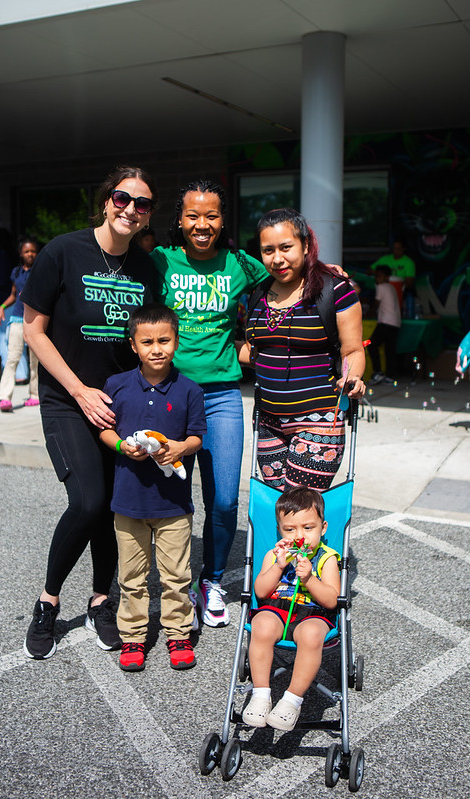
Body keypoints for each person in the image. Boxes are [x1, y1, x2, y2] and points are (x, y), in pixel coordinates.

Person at [21, 165, 157, 660]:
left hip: (119, 403)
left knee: (112, 507)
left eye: (141, 204)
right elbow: (34, 330)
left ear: (147, 216)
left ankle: (102, 600)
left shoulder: (148, 268)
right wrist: (79, 390)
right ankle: (48, 600)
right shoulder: (63, 251)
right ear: (106, 200)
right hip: (68, 399)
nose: (130, 209)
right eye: (123, 198)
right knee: (87, 503)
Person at [150, 179, 269, 628]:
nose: (203, 224)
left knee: (222, 499)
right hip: (169, 394)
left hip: (221, 396)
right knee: (170, 497)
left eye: (212, 215)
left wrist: (327, 271)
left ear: (223, 220)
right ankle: (173, 584)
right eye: (194, 216)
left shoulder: (240, 264)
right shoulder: (160, 261)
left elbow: (288, 276)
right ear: (179, 221)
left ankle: (212, 579)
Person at [99, 304, 206, 672]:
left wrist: (179, 447)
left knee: (176, 576)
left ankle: (178, 632)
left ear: (176, 341)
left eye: (164, 340)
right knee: (131, 578)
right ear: (133, 345)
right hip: (128, 502)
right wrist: (120, 445)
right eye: (147, 342)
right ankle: (133, 637)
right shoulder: (117, 386)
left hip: (174, 506)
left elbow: (196, 437)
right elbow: (104, 428)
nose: (156, 348)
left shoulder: (190, 389)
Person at [239, 208, 365, 491]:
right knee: (280, 513)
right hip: (269, 422)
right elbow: (255, 350)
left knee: (298, 510)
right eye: (268, 250)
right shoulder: (258, 292)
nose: (277, 259)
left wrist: (352, 377)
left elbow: (353, 350)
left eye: (286, 247)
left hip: (319, 420)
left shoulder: (334, 288)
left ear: (306, 245)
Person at [242, 486, 340, 731]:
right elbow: (261, 592)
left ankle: (291, 700)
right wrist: (278, 566)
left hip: (313, 612)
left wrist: (309, 579)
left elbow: (331, 599)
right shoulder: (274, 555)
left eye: (308, 528)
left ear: (323, 528)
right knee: (261, 624)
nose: (300, 536)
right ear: (280, 530)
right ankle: (261, 695)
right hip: (278, 608)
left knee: (311, 634)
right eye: (290, 529)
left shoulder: (327, 558)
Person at [0, 237, 40, 411]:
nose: (30, 254)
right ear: (21, 254)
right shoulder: (16, 272)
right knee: (12, 357)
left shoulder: (41, 270)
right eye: (26, 251)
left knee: (35, 360)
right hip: (17, 318)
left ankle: (35, 394)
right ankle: (4, 397)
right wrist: (1, 307)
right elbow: (14, 295)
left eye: (33, 251)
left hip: (35, 320)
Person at [368, 264, 401, 385]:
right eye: (376, 276)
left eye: (380, 276)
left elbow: (376, 303)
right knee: (390, 349)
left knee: (372, 345)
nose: (377, 278)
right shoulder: (392, 288)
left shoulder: (381, 287)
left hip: (386, 322)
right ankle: (391, 376)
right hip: (395, 322)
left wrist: (370, 312)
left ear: (387, 277)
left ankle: (378, 372)